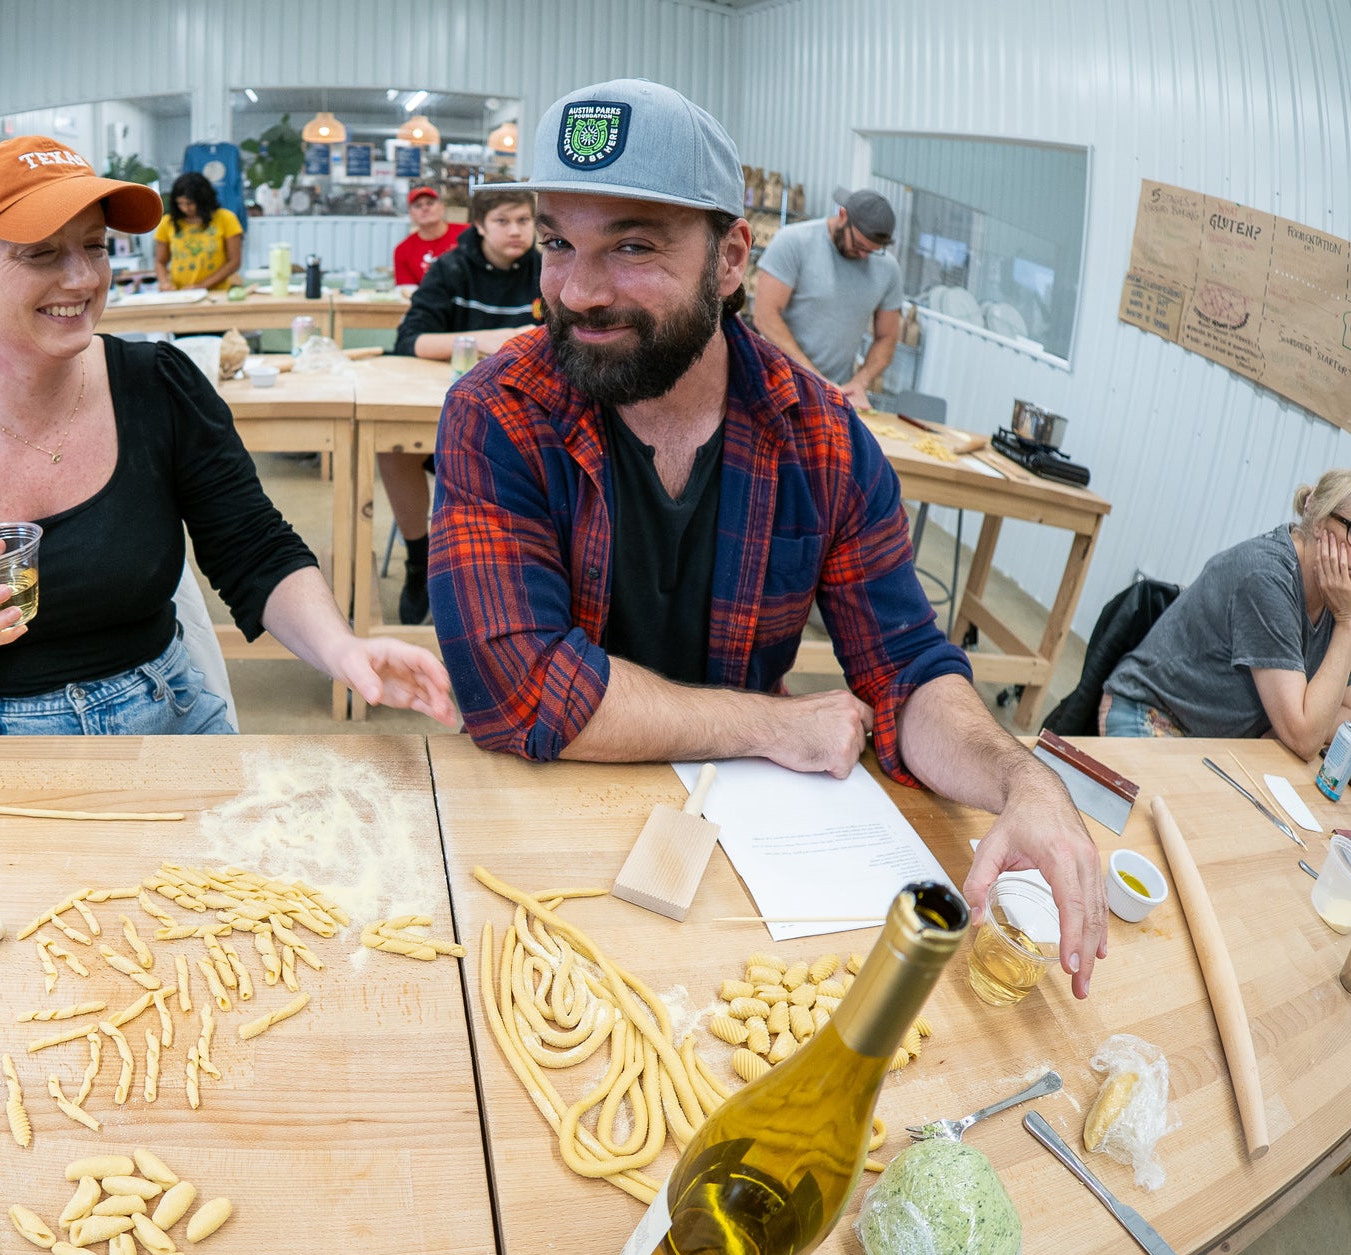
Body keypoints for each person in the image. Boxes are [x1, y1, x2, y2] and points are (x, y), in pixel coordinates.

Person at [428, 80, 1106, 998]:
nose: (578, 291)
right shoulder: (500, 412)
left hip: (749, 841)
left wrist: (1024, 784)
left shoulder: (820, 438)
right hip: (539, 820)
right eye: (558, 242)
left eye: (631, 246)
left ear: (731, 257)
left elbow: (903, 665)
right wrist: (772, 724)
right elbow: (521, 692)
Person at [0, 136, 454, 736]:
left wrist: (341, 648)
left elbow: (256, 551)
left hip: (168, 717)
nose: (83, 279)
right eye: (41, 252)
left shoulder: (157, 387)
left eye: (94, 247)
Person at [1101, 470, 1351, 756]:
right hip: (1150, 714)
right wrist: (1346, 625)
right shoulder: (1268, 577)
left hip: (1212, 741)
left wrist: (1317, 717)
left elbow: (1338, 705)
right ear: (1319, 521)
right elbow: (1305, 737)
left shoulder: (1338, 593)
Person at [383, 188, 545, 625]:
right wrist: (483, 341)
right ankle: (419, 561)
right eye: (503, 222)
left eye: (525, 222)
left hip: (526, 419)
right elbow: (408, 341)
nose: (516, 231)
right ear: (478, 225)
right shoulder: (451, 269)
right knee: (392, 448)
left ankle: (529, 581)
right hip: (451, 415)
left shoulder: (548, 267)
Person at [751, 188, 903, 409]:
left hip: (834, 396)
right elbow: (764, 317)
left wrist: (860, 382)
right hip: (775, 385)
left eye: (871, 251)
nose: (863, 255)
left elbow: (887, 338)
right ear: (843, 215)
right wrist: (814, 378)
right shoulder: (794, 242)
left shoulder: (888, 269)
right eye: (859, 245)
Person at [153, 171, 242, 292]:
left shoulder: (226, 219)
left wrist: (202, 286)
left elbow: (234, 262)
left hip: (217, 293)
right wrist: (164, 282)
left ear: (203, 200)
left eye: (190, 203)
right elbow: (160, 262)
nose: (185, 208)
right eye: (180, 203)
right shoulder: (167, 222)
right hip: (181, 295)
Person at [391, 185, 462, 290]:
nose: (425, 208)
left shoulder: (466, 233)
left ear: (442, 207)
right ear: (411, 214)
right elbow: (406, 291)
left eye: (430, 203)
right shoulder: (403, 250)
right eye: (418, 205)